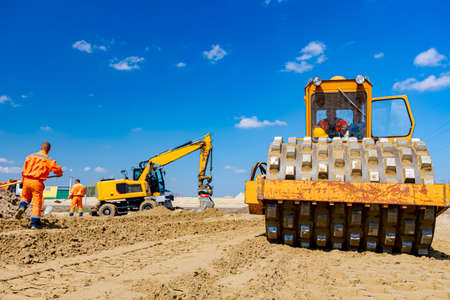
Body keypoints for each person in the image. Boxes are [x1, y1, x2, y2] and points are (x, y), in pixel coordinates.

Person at [15, 142, 63, 229]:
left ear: (41, 147)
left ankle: (22, 206)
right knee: (37, 202)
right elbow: (58, 170)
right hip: (37, 182)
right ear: (48, 150)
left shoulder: (30, 156)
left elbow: (23, 170)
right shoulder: (49, 159)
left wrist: (23, 180)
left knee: (25, 197)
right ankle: (34, 224)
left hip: (26, 180)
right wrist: (59, 173)